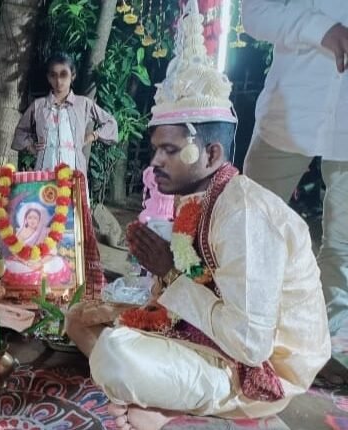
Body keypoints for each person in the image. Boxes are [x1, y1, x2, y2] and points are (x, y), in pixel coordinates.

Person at [65, 3, 330, 429]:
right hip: (210, 333)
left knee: (117, 352)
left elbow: (250, 344)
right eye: (156, 148)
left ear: (211, 153)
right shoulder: (199, 198)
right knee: (79, 317)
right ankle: (157, 397)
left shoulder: (244, 216)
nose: (155, 161)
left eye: (169, 150)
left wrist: (170, 273)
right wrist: (164, 278)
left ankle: (171, 410)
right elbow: (196, 287)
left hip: (259, 369)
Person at [241, 0, 348, 380]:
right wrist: (321, 29)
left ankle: (332, 347)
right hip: (289, 112)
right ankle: (240, 330)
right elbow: (255, 14)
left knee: (344, 245)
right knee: (249, 228)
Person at [12, 53, 118, 175]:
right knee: (47, 188)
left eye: (63, 75)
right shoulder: (39, 105)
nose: (58, 81)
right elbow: (21, 131)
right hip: (45, 171)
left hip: (75, 173)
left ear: (73, 76)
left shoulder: (83, 104)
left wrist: (92, 136)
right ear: (48, 77)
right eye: (53, 75)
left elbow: (111, 123)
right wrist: (31, 147)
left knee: (73, 188)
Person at [3, 203, 71, 287]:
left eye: (35, 218)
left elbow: (51, 251)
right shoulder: (20, 233)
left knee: (59, 261)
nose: (32, 220)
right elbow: (16, 252)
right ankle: (32, 275)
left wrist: (40, 263)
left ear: (39, 220)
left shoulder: (45, 232)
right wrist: (27, 263)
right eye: (30, 217)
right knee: (8, 264)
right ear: (25, 219)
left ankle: (36, 275)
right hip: (25, 263)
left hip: (42, 261)